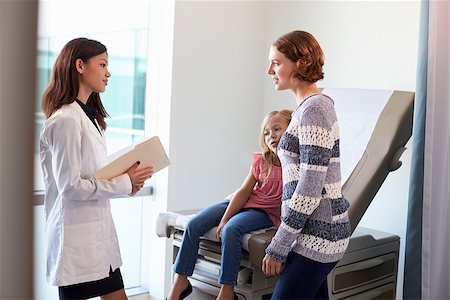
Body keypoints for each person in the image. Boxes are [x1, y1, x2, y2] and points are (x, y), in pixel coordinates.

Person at [40, 37, 153, 300]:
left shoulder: (90, 117)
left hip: (99, 243)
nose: (108, 72)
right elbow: (70, 186)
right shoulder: (65, 120)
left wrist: (129, 182)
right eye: (102, 64)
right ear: (80, 66)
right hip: (76, 245)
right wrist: (123, 182)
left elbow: (94, 176)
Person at [262, 30, 351, 299]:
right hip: (311, 233)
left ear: (300, 63)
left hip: (320, 236)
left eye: (276, 62)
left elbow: (310, 188)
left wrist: (278, 245)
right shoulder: (306, 108)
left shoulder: (315, 109)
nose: (270, 70)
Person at [167, 109, 292, 300]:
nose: (271, 136)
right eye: (266, 133)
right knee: (193, 224)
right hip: (237, 201)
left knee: (231, 230)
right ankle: (180, 282)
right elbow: (243, 192)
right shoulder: (261, 161)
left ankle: (227, 291)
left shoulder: (294, 165)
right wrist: (225, 217)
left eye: (277, 129)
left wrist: (228, 223)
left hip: (263, 212)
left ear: (291, 130)